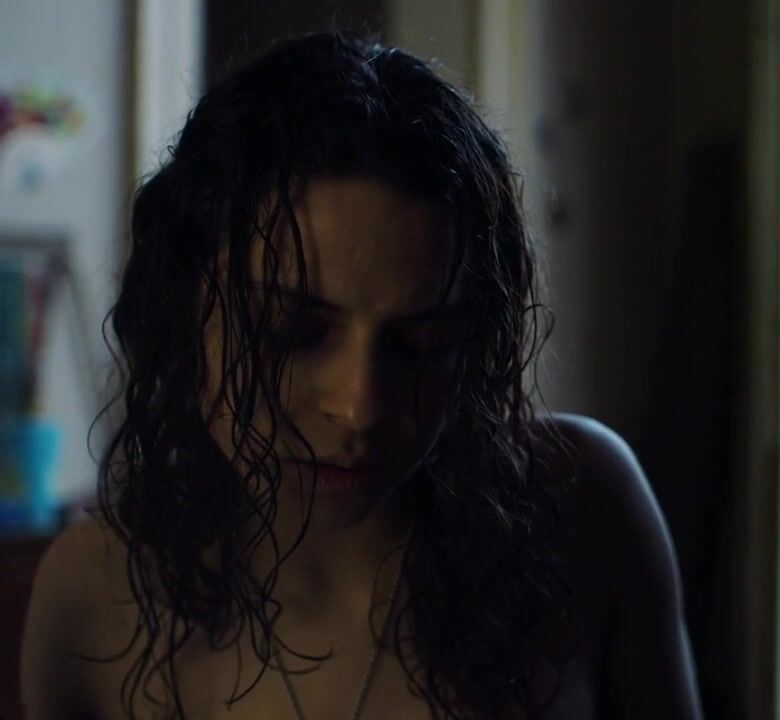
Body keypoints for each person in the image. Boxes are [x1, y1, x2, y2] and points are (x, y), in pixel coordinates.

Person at [20, 33, 703, 720]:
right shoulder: (90, 601)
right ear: (183, 305)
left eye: (423, 344)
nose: (359, 406)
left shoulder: (581, 509)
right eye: (289, 332)